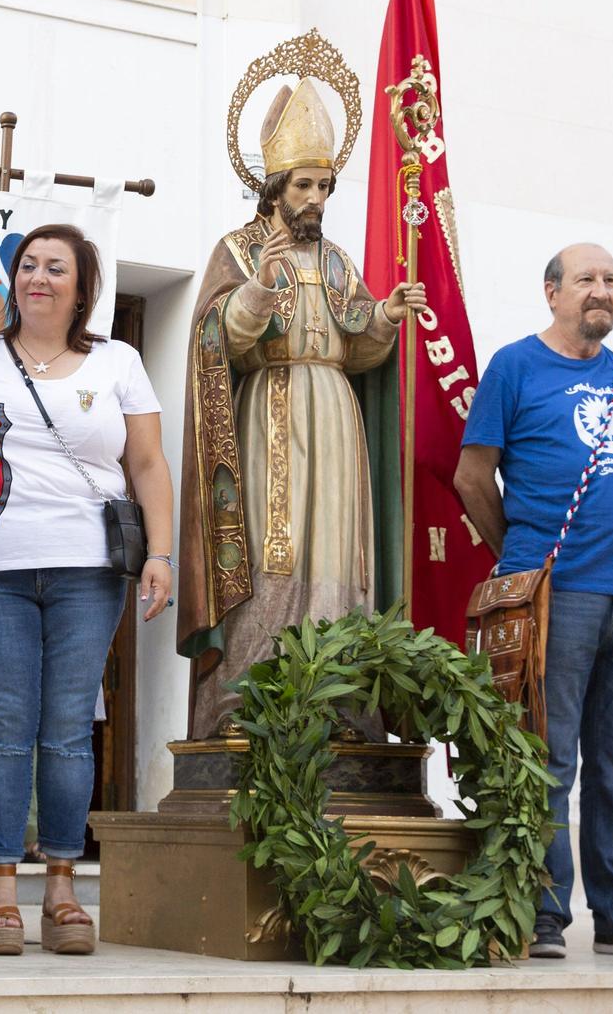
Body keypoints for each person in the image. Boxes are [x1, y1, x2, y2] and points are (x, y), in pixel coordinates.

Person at [454, 244, 613, 961]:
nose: (602, 292)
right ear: (552, 292)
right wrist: (523, 559)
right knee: (549, 757)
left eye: (612, 281)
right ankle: (541, 912)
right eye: (587, 280)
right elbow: (474, 478)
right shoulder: (514, 366)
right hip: (557, 595)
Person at [177, 79, 425, 739]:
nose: (316, 199)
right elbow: (216, 338)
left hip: (335, 418)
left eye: (325, 186)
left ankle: (339, 706)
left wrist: (386, 318)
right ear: (275, 187)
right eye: (304, 186)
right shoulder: (239, 249)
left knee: (335, 563)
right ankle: (249, 707)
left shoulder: (339, 261)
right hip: (269, 417)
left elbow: (360, 347)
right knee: (269, 556)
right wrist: (257, 290)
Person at [0, 224, 174, 958]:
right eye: (27, 265)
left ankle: (61, 887)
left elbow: (147, 465)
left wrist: (162, 554)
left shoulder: (118, 362)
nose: (37, 277)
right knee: (7, 726)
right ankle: (0, 890)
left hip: (89, 568)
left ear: (83, 287)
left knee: (69, 728)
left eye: (56, 267)